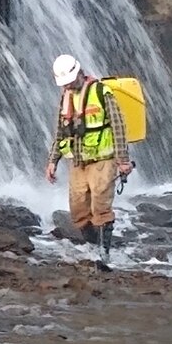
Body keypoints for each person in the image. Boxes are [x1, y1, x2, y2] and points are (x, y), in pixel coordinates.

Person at [44, 54, 133, 255]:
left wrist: (122, 160)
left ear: (79, 74)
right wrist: (52, 161)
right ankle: (93, 245)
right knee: (78, 211)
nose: (66, 87)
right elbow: (60, 131)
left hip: (103, 159)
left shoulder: (102, 92)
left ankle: (104, 253)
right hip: (77, 161)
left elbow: (118, 126)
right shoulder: (65, 97)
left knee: (101, 206)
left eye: (68, 82)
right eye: (63, 83)